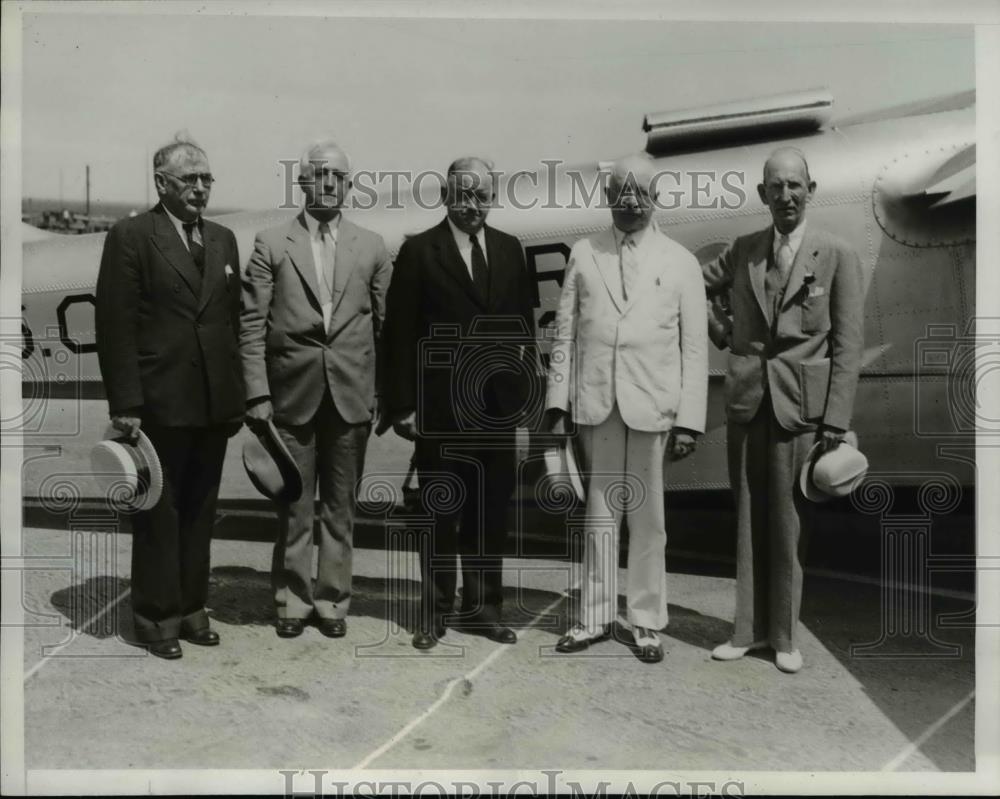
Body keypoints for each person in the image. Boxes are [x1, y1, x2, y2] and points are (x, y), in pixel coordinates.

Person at [703, 147, 865, 673]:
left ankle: (785, 639)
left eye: (795, 185)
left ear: (810, 190)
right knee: (748, 522)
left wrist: (836, 421)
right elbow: (694, 286)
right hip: (749, 402)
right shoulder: (745, 249)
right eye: (776, 187)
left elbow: (847, 345)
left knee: (790, 525)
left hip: (803, 410)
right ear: (762, 195)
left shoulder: (837, 254)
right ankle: (746, 633)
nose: (786, 195)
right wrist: (721, 330)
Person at [544, 154, 708, 663]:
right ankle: (592, 617)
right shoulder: (584, 253)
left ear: (656, 198)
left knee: (648, 518)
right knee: (599, 515)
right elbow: (565, 333)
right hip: (597, 403)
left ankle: (644, 620)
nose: (630, 202)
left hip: (653, 406)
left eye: (640, 193)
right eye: (621, 192)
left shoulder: (679, 260)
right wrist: (557, 403)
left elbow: (695, 347)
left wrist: (689, 420)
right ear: (608, 197)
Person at [95, 135, 244, 659]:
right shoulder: (132, 236)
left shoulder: (224, 240)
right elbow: (115, 325)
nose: (201, 189)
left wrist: (238, 397)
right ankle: (155, 618)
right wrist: (126, 404)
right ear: (162, 183)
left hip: (212, 403)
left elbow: (229, 320)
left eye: (207, 179)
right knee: (159, 513)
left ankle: (191, 609)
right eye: (190, 179)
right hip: (159, 401)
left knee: (202, 510)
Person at [380, 157, 537, 650]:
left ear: (492, 198)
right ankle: (433, 612)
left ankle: (484, 609)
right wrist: (402, 406)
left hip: (496, 410)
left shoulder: (511, 251)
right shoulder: (420, 251)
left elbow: (525, 337)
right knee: (439, 515)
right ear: (446, 196)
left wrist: (524, 412)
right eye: (462, 194)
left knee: (490, 514)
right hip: (440, 410)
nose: (472, 205)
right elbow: (399, 335)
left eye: (481, 195)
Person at [240, 139, 391, 640]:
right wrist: (257, 394)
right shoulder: (270, 243)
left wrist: (384, 394)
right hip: (291, 396)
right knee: (294, 506)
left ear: (349, 186)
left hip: (351, 397)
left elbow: (387, 326)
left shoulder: (371, 246)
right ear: (302, 181)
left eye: (338, 177)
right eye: (319, 174)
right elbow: (251, 326)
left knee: (341, 509)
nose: (329, 183)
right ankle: (291, 602)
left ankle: (332, 603)